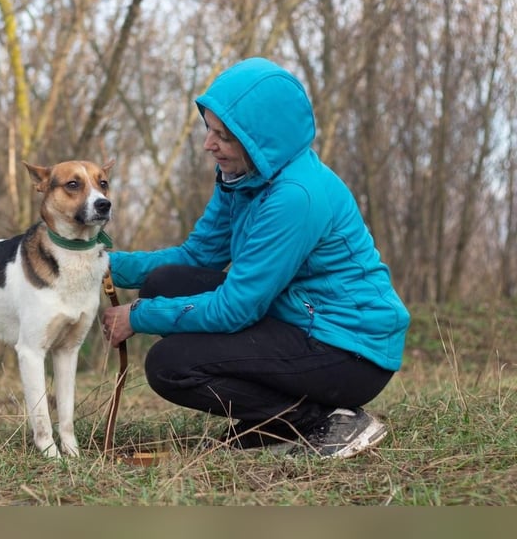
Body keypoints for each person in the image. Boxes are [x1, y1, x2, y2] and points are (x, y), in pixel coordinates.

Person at [101, 57, 410, 458]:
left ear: (260, 140)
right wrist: (102, 264)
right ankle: (279, 422)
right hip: (298, 320)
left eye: (223, 136)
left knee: (170, 366)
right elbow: (197, 257)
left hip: (348, 351)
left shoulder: (296, 197)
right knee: (166, 281)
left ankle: (322, 420)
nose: (209, 145)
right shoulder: (243, 178)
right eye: (208, 130)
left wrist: (137, 316)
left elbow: (237, 307)